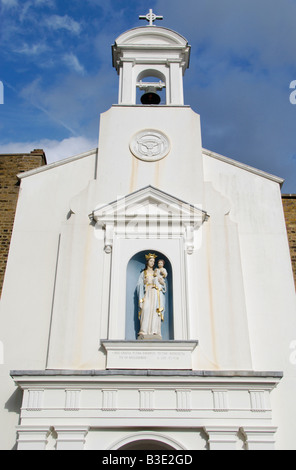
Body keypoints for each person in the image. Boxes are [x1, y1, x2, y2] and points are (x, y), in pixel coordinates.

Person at [137, 254, 167, 339]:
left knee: (155, 311)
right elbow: (138, 285)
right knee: (146, 309)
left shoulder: (156, 272)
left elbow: (163, 284)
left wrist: (162, 283)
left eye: (154, 261)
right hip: (147, 293)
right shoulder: (144, 273)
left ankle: (155, 331)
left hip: (156, 293)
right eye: (151, 261)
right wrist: (143, 282)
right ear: (147, 262)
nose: (152, 263)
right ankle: (144, 331)